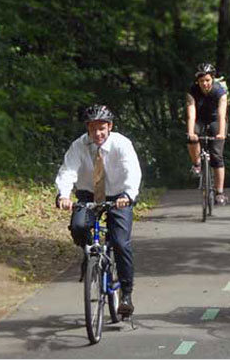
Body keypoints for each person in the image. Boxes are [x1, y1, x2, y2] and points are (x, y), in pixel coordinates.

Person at [55, 104, 142, 317]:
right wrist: (63, 195)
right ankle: (89, 253)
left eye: (102, 128)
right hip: (88, 194)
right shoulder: (79, 146)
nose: (97, 133)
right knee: (78, 226)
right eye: (93, 128)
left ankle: (126, 295)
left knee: (121, 243)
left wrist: (128, 195)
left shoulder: (122, 144)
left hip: (118, 196)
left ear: (110, 127)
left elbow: (133, 171)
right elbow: (68, 171)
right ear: (87, 128)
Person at [186, 63, 228, 205]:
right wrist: (191, 133)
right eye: (202, 81)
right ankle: (196, 163)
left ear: (213, 79)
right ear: (197, 81)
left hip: (216, 119)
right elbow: (191, 114)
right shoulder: (192, 91)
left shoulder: (220, 91)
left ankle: (219, 192)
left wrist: (221, 133)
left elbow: (222, 115)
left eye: (208, 80)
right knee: (192, 137)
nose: (205, 84)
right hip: (200, 119)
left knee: (217, 156)